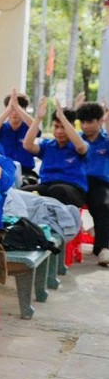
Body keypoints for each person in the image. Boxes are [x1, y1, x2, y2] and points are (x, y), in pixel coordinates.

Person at [23, 97, 89, 208]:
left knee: (57, 190)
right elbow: (28, 145)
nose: (59, 131)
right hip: (47, 186)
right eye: (56, 127)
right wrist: (38, 118)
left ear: (71, 127)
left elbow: (81, 147)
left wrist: (62, 118)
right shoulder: (48, 145)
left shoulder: (78, 144)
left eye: (63, 127)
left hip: (73, 189)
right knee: (23, 193)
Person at [77, 103, 109, 265]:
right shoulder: (76, 139)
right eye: (82, 122)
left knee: (103, 205)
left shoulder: (106, 140)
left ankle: (103, 248)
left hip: (99, 183)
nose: (85, 126)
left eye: (89, 122)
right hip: (77, 182)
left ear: (100, 121)